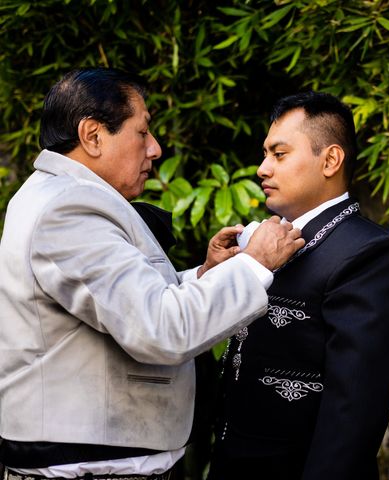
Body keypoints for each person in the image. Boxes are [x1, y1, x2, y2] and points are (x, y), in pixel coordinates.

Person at [0, 68, 304, 479]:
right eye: (142, 132)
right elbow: (159, 328)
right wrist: (256, 264)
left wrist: (206, 274)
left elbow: (123, 303)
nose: (155, 148)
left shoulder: (56, 196)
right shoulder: (68, 208)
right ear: (93, 136)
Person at [210, 91, 389, 480]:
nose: (262, 169)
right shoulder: (267, 244)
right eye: (265, 155)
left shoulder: (371, 253)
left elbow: (352, 410)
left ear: (331, 160)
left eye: (279, 154)